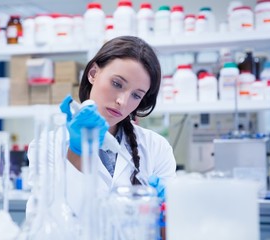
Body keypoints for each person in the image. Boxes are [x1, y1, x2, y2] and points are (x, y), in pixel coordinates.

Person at [26, 36, 176, 229]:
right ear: (93, 73)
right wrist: (77, 154)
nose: (123, 101)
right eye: (117, 84)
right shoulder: (47, 145)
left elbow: (173, 229)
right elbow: (41, 223)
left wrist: (166, 213)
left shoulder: (156, 147)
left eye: (136, 95)